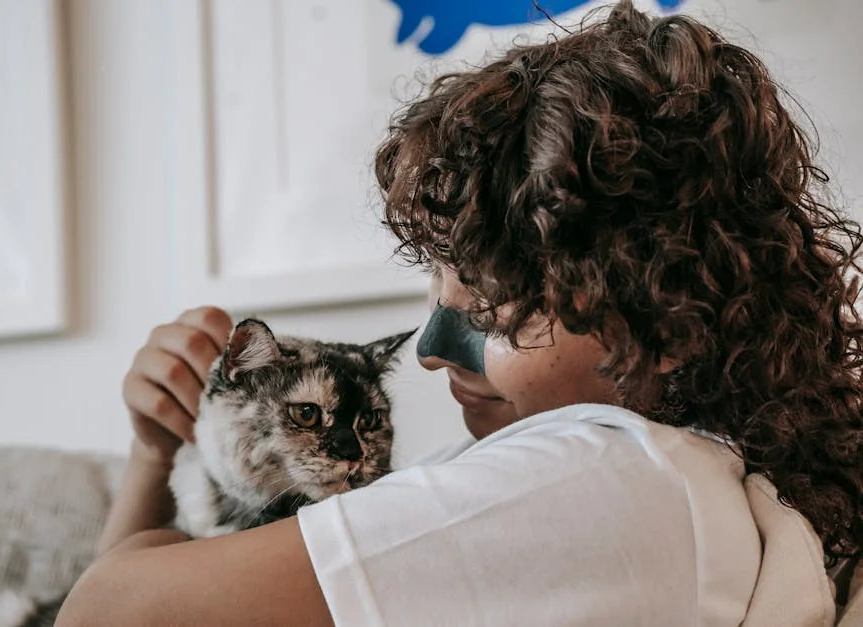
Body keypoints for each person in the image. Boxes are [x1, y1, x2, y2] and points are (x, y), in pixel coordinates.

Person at [56, 1, 863, 625]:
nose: (434, 350)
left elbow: (105, 609)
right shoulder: (686, 475)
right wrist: (157, 446)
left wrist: (153, 500)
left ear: (669, 318)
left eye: (494, 304)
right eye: (439, 284)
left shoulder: (605, 475)